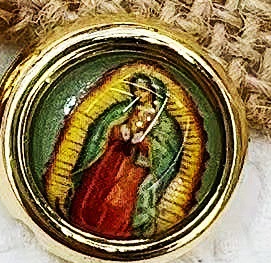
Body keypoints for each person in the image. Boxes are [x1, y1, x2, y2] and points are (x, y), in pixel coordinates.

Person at [63, 73, 186, 239]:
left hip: (137, 165)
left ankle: (116, 232)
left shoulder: (163, 121)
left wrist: (147, 143)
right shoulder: (124, 109)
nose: (138, 94)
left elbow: (168, 148)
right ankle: (82, 222)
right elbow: (103, 127)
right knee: (95, 189)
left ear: (153, 92)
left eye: (143, 90)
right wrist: (118, 130)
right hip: (115, 156)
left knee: (118, 200)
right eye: (135, 90)